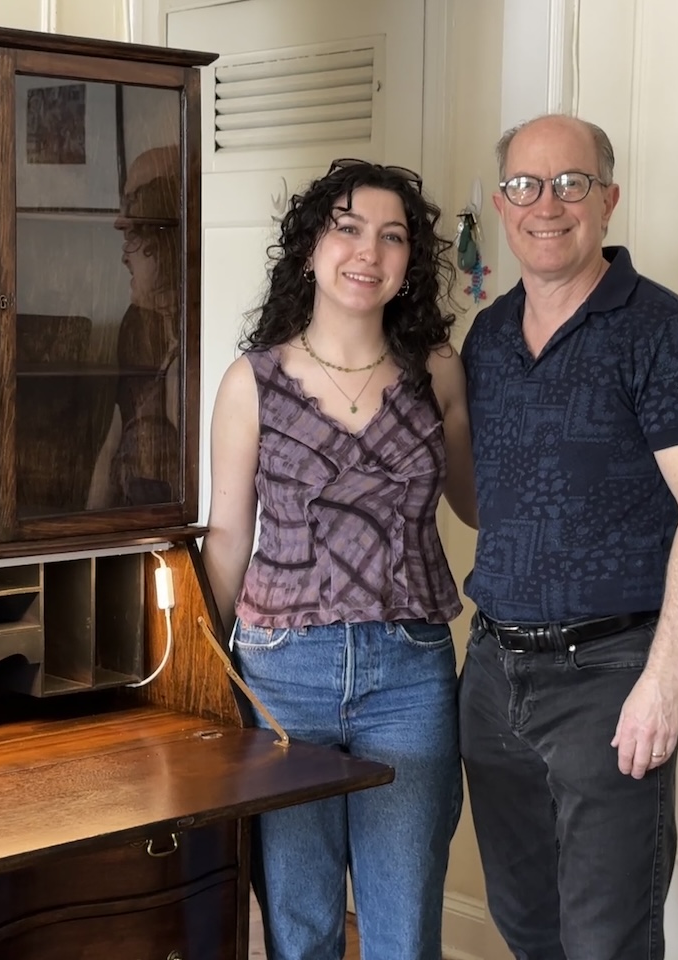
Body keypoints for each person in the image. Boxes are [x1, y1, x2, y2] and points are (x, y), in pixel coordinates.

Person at [458, 114, 678, 960]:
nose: (547, 204)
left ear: (608, 200)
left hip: (611, 679)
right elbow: (485, 504)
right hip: (493, 675)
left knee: (606, 941)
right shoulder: (488, 338)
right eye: (525, 186)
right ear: (504, 207)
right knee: (528, 925)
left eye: (571, 183)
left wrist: (665, 681)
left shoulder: (662, 330)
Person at [201, 158, 477, 960]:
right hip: (282, 680)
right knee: (301, 929)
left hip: (411, 677)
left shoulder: (440, 374)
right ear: (312, 248)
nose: (369, 251)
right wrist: (196, 678)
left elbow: (476, 505)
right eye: (348, 228)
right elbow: (228, 540)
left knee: (403, 931)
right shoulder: (251, 383)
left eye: (393, 237)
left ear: (409, 265)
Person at [87, 144, 183, 509]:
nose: (123, 253)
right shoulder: (136, 323)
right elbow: (113, 441)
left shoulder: (199, 346)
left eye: (135, 231)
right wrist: (86, 537)